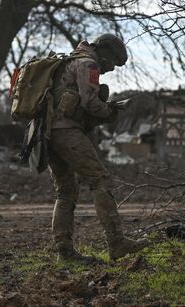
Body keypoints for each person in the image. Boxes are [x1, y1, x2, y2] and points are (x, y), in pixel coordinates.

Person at [48, 34, 149, 261]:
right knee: (100, 180)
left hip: (48, 133)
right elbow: (90, 103)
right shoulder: (88, 64)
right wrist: (110, 111)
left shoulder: (70, 61)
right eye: (112, 63)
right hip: (67, 132)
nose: (110, 69)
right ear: (104, 53)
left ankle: (64, 252)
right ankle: (116, 242)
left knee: (65, 190)